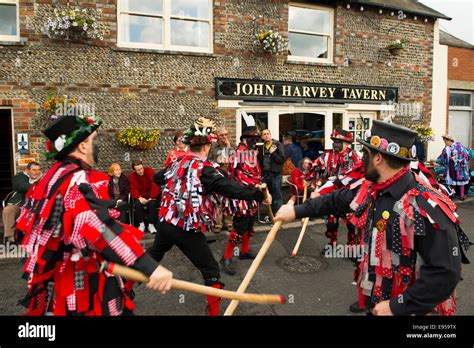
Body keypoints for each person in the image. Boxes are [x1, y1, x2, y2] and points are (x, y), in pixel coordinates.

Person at [275, 120, 470, 316]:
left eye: (366, 154)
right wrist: (295, 211)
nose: (361, 160)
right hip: (376, 302)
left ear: (377, 158)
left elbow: (445, 273)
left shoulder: (426, 206)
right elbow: (335, 200)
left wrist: (398, 306)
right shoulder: (370, 188)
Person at [15, 114, 173, 316]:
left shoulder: (52, 176)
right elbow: (97, 227)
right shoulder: (76, 178)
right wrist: (148, 266)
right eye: (95, 139)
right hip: (81, 283)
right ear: (82, 146)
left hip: (61, 282)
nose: (97, 145)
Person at [149, 117, 271, 315]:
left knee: (153, 255)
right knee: (211, 270)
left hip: (165, 222)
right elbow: (229, 188)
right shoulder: (205, 170)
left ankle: (125, 287)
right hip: (184, 228)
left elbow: (157, 178)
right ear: (206, 147)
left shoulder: (178, 163)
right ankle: (214, 311)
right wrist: (258, 195)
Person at [221, 114, 268, 275]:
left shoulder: (251, 152)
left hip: (252, 195)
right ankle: (226, 257)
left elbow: (255, 172)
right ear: (243, 140)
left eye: (256, 140)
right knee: (239, 227)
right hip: (242, 196)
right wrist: (255, 185)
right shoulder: (239, 153)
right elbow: (237, 175)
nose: (255, 143)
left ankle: (244, 251)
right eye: (252, 140)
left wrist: (259, 183)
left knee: (249, 225)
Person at [312, 129, 360, 248]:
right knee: (331, 222)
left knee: (351, 223)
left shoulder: (355, 157)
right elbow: (314, 165)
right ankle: (332, 244)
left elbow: (353, 176)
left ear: (347, 143)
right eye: (334, 141)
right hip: (331, 194)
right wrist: (312, 174)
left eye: (339, 142)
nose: (335, 144)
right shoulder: (327, 155)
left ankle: (351, 246)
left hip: (348, 195)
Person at [2, 161, 42, 243]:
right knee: (8, 210)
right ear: (27, 170)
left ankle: (38, 239)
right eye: (34, 170)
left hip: (36, 205)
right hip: (19, 204)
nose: (37, 172)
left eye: (38, 170)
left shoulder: (42, 178)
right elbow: (21, 186)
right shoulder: (19, 177)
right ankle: (10, 239)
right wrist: (37, 186)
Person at [208, 127, 233, 232]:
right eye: (222, 135)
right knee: (218, 199)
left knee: (228, 199)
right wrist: (217, 163)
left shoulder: (232, 145)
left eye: (226, 134)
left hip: (229, 175)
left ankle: (228, 222)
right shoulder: (213, 147)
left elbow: (236, 159)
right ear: (217, 135)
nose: (224, 137)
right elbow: (208, 160)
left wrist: (228, 147)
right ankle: (218, 224)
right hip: (217, 174)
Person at [129, 160, 160, 234]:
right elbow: (133, 189)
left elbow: (154, 184)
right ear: (134, 170)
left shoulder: (149, 171)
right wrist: (139, 198)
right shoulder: (132, 176)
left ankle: (151, 224)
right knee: (137, 204)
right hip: (141, 196)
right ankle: (141, 224)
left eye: (141, 168)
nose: (140, 171)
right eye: (138, 170)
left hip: (151, 195)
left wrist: (151, 197)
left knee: (152, 204)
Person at [436, 134, 470, 201]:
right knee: (451, 181)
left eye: (445, 141)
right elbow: (442, 157)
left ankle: (462, 195)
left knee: (461, 181)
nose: (445, 143)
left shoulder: (459, 146)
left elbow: (466, 155)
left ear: (449, 140)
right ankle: (452, 193)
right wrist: (437, 160)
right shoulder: (446, 148)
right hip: (449, 167)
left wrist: (457, 159)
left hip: (459, 168)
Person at [260, 128, 285, 214]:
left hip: (276, 175)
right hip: (266, 175)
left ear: (270, 135)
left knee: (277, 196)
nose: (266, 135)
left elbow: (282, 160)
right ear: (262, 137)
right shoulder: (262, 146)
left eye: (267, 134)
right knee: (268, 196)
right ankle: (270, 216)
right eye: (264, 134)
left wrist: (273, 153)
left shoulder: (277, 144)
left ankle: (278, 215)